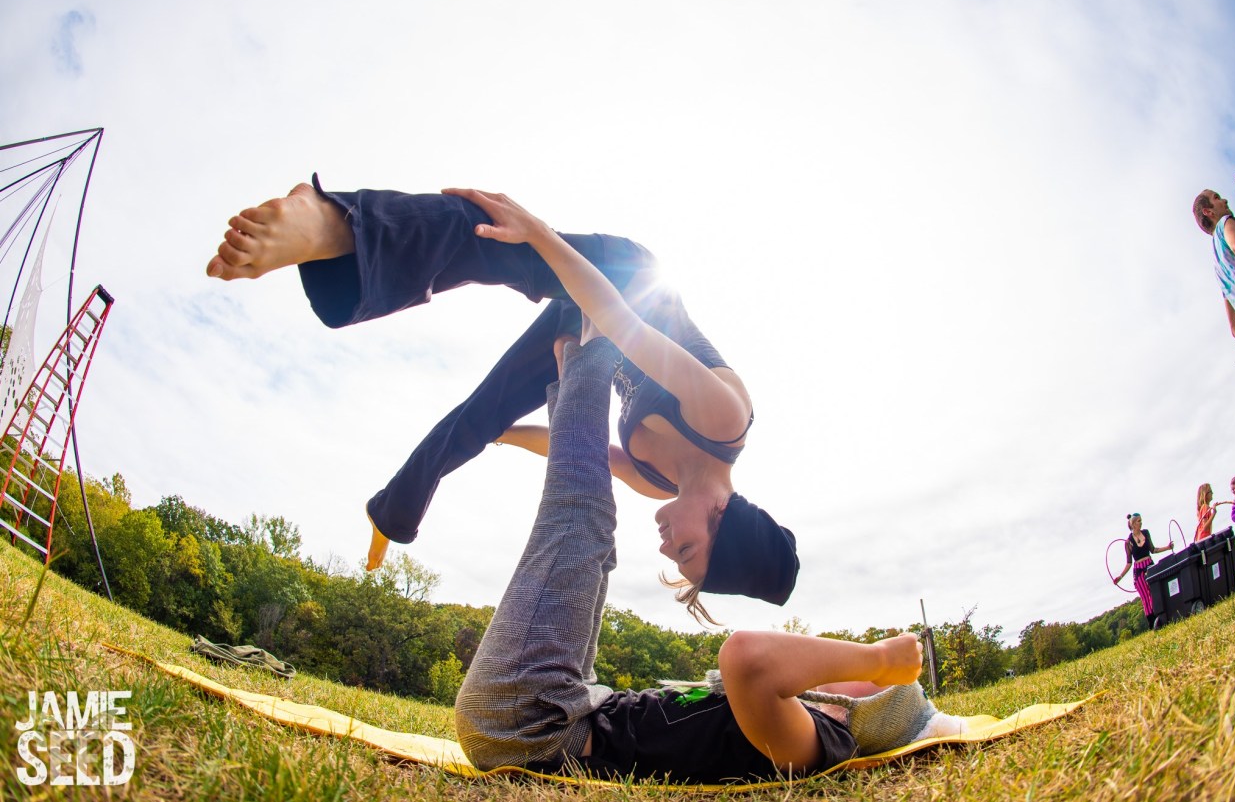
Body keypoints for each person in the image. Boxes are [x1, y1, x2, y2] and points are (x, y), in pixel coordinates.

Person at [207, 179, 798, 615]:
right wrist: (538, 234)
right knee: (500, 238)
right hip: (628, 287)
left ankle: (392, 510)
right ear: (724, 518)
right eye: (687, 549)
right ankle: (336, 223)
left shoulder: (655, 482)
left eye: (676, 562)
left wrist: (496, 434)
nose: (667, 549)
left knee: (480, 414)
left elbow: (565, 445)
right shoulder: (724, 418)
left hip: (589, 334)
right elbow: (623, 323)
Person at [453, 330, 955, 782]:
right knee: (590, 534)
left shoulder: (817, 742)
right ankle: (576, 358)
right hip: (579, 705)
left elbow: (749, 657)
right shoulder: (789, 708)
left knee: (579, 516)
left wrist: (882, 660)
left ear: (869, 709)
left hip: (527, 727)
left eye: (865, 687)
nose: (832, 682)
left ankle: (588, 351)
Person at [1191, 189, 1235, 340]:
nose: (1224, 200)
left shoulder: (1219, 270)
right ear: (1208, 211)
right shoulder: (1225, 222)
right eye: (1217, 197)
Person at [1113, 513, 1173, 627]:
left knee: (1156, 592)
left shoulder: (1146, 533)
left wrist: (1168, 547)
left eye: (1141, 521)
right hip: (1139, 571)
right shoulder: (1128, 542)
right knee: (1146, 597)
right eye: (1139, 521)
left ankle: (1163, 617)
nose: (1141, 523)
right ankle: (1153, 624)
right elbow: (1129, 563)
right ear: (1133, 524)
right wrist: (1120, 577)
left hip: (1150, 566)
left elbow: (1153, 549)